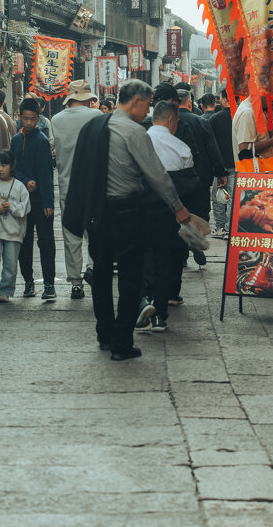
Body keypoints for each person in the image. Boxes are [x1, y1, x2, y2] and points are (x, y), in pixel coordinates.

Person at [64, 79, 190, 361]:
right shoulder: (133, 131)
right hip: (127, 211)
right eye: (146, 104)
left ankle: (104, 333)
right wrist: (178, 207)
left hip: (97, 211)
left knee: (102, 273)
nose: (147, 111)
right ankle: (122, 341)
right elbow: (157, 174)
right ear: (135, 101)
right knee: (131, 277)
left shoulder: (93, 127)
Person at [145, 101, 201, 331]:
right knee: (166, 260)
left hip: (143, 208)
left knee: (144, 257)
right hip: (172, 212)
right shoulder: (181, 148)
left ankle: (143, 302)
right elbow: (191, 186)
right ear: (171, 120)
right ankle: (160, 312)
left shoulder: (140, 141)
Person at [51, 80, 101, 298]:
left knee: (71, 234)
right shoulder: (97, 116)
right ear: (88, 98)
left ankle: (75, 283)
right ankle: (93, 267)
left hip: (67, 185)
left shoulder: (56, 119)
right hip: (93, 185)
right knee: (95, 231)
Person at [11, 97, 56, 300]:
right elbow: (13, 169)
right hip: (21, 199)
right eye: (25, 118)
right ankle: (28, 282)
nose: (28, 123)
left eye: (32, 119)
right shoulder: (15, 140)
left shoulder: (42, 141)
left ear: (38, 119)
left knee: (46, 242)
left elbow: (47, 174)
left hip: (40, 200)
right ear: (19, 117)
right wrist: (25, 180)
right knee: (24, 241)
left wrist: (48, 202)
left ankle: (49, 284)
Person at [177, 88, 227, 265]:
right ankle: (195, 244)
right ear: (189, 103)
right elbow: (212, 149)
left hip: (175, 179)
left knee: (178, 213)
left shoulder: (166, 122)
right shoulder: (199, 122)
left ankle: (181, 254)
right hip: (200, 178)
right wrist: (220, 172)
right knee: (199, 212)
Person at [0, 150, 31, 305]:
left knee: (10, 264)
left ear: (12, 166)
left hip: (14, 231)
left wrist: (11, 207)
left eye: (4, 165)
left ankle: (5, 291)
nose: (1, 169)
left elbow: (26, 208)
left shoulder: (19, 186)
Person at [209, 89, 236, 238]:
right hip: (237, 163)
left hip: (220, 165)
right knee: (232, 197)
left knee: (219, 197)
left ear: (225, 99)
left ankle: (220, 227)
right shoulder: (239, 116)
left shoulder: (214, 119)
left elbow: (210, 145)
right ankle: (230, 228)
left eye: (220, 98)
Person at [232, 96, 273, 166]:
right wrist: (272, 141)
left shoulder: (257, 110)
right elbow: (245, 150)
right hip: (254, 174)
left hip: (265, 172)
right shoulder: (247, 113)